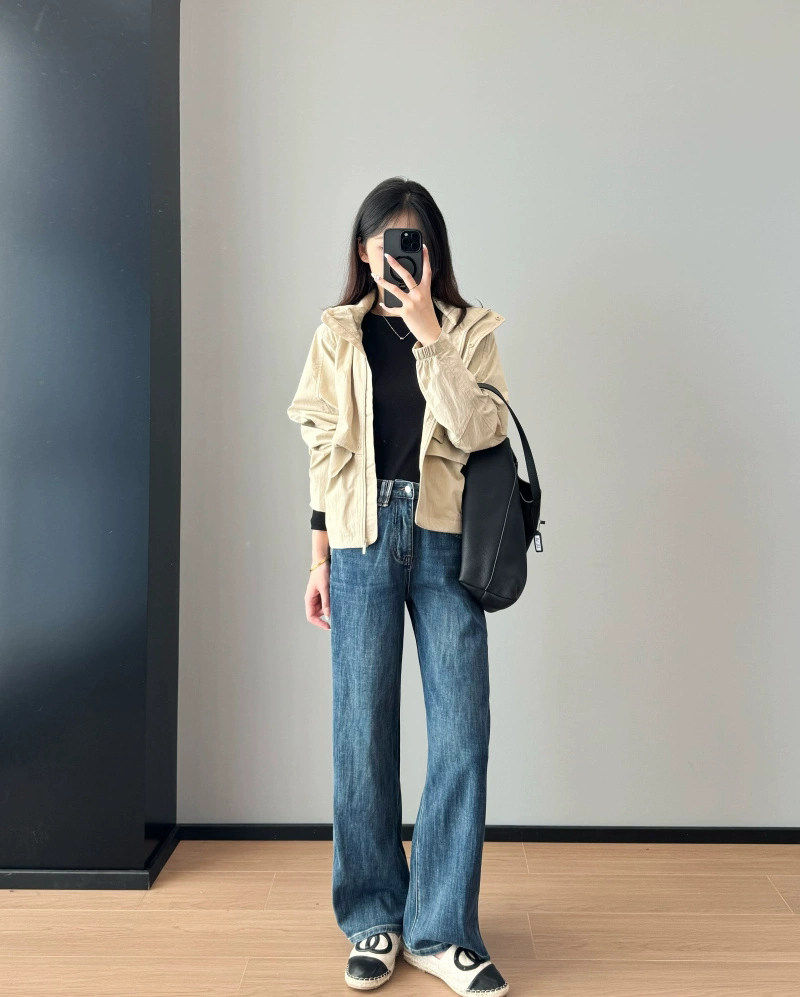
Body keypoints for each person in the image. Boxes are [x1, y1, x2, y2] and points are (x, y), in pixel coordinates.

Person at [287, 178, 511, 996]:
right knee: (362, 734)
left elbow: (480, 429)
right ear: (364, 249)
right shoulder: (337, 334)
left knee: (461, 732)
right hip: (359, 537)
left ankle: (440, 928)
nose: (403, 253)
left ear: (434, 251)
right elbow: (323, 454)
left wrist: (429, 337)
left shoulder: (468, 330)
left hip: (446, 538)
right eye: (389, 240)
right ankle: (374, 916)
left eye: (417, 240)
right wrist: (317, 560)